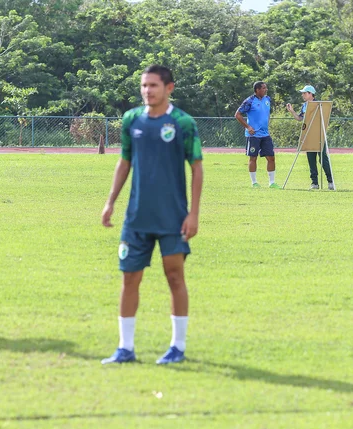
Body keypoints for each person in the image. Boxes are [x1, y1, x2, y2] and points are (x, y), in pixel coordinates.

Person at [100, 65, 203, 365]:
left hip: (172, 217)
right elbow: (124, 162)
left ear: (169, 88)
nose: (147, 91)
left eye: (153, 85)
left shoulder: (183, 123)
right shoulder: (132, 119)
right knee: (129, 279)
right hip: (136, 219)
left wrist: (193, 214)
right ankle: (125, 348)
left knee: (175, 277)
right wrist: (110, 202)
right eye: (144, 85)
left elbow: (196, 168)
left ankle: (177, 347)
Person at [285, 85, 334, 190]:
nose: (303, 95)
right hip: (308, 134)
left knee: (323, 159)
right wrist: (292, 111)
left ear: (311, 94)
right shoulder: (304, 105)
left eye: (304, 93)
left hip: (319, 135)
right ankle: (314, 183)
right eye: (302, 93)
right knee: (311, 159)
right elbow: (300, 118)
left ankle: (330, 181)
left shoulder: (319, 105)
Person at [235, 82, 281, 189]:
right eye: (264, 88)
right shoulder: (249, 101)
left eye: (266, 88)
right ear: (257, 90)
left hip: (265, 135)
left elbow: (266, 114)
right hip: (253, 135)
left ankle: (272, 183)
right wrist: (248, 127)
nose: (266, 90)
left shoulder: (267, 99)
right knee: (253, 158)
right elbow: (237, 114)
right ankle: (254, 182)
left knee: (271, 158)